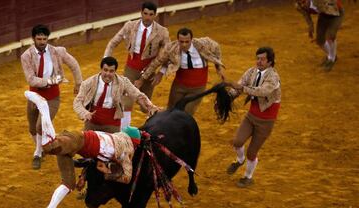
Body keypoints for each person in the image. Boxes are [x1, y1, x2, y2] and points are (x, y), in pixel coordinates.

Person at [24, 90, 140, 208]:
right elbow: (127, 177)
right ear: (133, 142)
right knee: (49, 146)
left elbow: (92, 161)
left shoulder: (117, 138)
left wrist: (83, 177)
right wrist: (108, 172)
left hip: (78, 144)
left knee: (69, 184)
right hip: (80, 141)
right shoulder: (127, 149)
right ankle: (43, 106)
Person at [21, 24, 83, 170]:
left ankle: (38, 153)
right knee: (32, 128)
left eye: (44, 39)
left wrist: (78, 83)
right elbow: (30, 79)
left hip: (52, 97)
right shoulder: (26, 56)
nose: (42, 42)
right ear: (33, 39)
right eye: (39, 39)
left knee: (40, 126)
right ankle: (42, 147)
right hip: (34, 96)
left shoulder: (57, 52)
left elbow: (74, 64)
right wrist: (48, 82)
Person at [104, 1, 169, 129]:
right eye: (145, 13)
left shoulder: (162, 32)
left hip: (150, 70)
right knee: (126, 102)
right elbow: (113, 43)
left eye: (151, 14)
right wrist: (105, 60)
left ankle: (150, 130)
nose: (147, 17)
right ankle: (124, 134)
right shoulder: (130, 26)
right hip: (131, 69)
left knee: (145, 106)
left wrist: (161, 72)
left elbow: (167, 54)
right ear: (141, 13)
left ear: (155, 15)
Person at [224, 47, 281, 188]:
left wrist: (241, 88)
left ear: (270, 61)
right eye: (258, 58)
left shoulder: (274, 77)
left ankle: (248, 177)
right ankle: (240, 159)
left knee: (252, 151)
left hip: (266, 122)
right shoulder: (251, 72)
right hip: (251, 116)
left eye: (262, 59)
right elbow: (240, 85)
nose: (259, 62)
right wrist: (228, 96)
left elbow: (262, 91)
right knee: (237, 142)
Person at [136, 27, 225, 115]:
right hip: (179, 87)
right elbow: (156, 63)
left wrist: (218, 67)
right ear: (178, 40)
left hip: (198, 89)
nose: (184, 45)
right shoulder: (171, 48)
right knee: (171, 111)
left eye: (187, 42)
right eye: (181, 42)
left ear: (192, 39)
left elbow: (216, 48)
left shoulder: (204, 44)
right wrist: (142, 79)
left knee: (185, 114)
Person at [73, 56, 160, 133]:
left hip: (112, 123)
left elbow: (138, 95)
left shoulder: (123, 82)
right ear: (101, 69)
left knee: (113, 150)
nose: (108, 74)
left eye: (111, 71)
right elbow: (77, 102)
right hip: (92, 121)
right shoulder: (88, 83)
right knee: (89, 149)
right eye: (105, 70)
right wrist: (84, 113)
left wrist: (150, 106)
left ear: (115, 71)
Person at [295, 0, 344, 71]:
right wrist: (310, 26)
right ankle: (332, 56)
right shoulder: (298, 6)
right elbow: (306, 14)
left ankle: (331, 60)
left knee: (330, 35)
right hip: (324, 15)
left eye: (303, 2)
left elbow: (336, 5)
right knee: (320, 41)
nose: (302, 5)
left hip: (336, 14)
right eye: (300, 3)